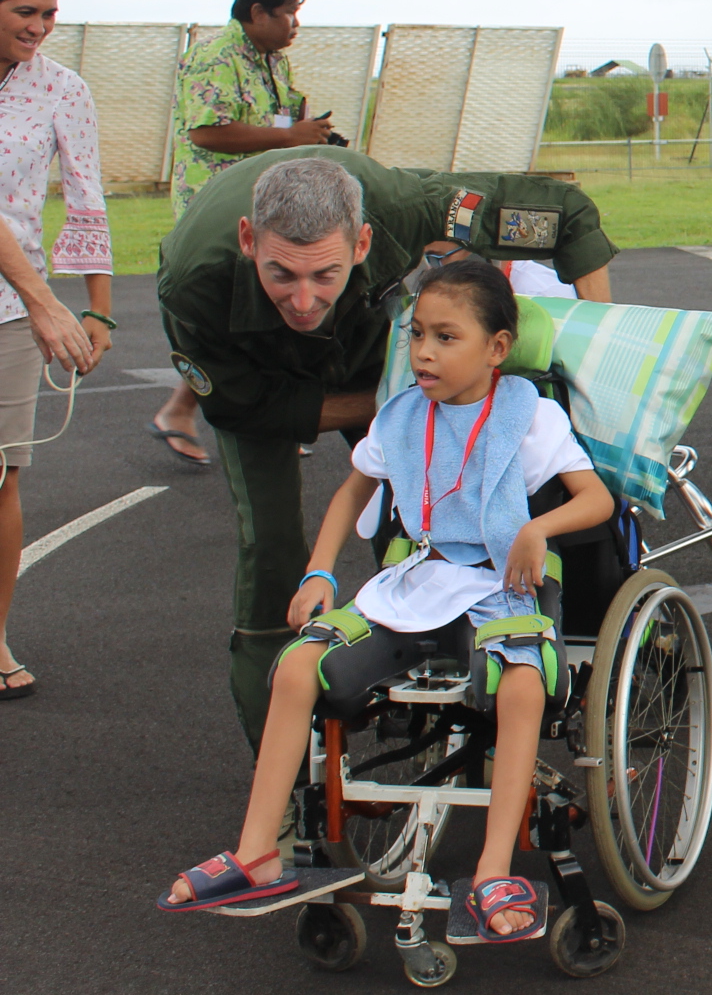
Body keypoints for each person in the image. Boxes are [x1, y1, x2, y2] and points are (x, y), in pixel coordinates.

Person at [159, 258, 613, 936]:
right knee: (295, 665)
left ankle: (492, 870)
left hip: (499, 585)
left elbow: (597, 501)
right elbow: (352, 490)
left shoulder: (531, 416)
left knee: (521, 686)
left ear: (497, 348)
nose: (424, 352)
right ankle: (257, 850)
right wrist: (319, 572)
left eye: (446, 337)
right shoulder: (401, 417)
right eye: (417, 336)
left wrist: (537, 527)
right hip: (417, 579)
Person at [158, 150, 615, 746]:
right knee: (270, 554)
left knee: (413, 527)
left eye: (324, 273)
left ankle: (429, 667)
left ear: (363, 242)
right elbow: (242, 408)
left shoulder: (407, 207)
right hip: (258, 382)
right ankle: (294, 785)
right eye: (282, 274)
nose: (302, 300)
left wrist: (599, 360)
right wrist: (397, 411)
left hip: (370, 354)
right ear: (248, 240)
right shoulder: (194, 281)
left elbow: (568, 218)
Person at [153, 0, 335, 470]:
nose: (295, 24)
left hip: (264, 205)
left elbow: (277, 125)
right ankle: (213, 412)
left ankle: (187, 409)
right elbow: (208, 133)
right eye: (288, 13)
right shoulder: (214, 56)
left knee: (258, 312)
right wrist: (289, 137)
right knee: (243, 314)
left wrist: (308, 134)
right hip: (218, 211)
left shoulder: (271, 61)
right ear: (257, 12)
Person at [0, 0, 113, 702]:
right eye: (24, 13)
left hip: (8, 311)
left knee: (4, 475)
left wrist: (98, 305)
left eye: (49, 15)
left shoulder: (61, 89)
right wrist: (46, 301)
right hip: (25, 299)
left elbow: (86, 195)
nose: (39, 28)